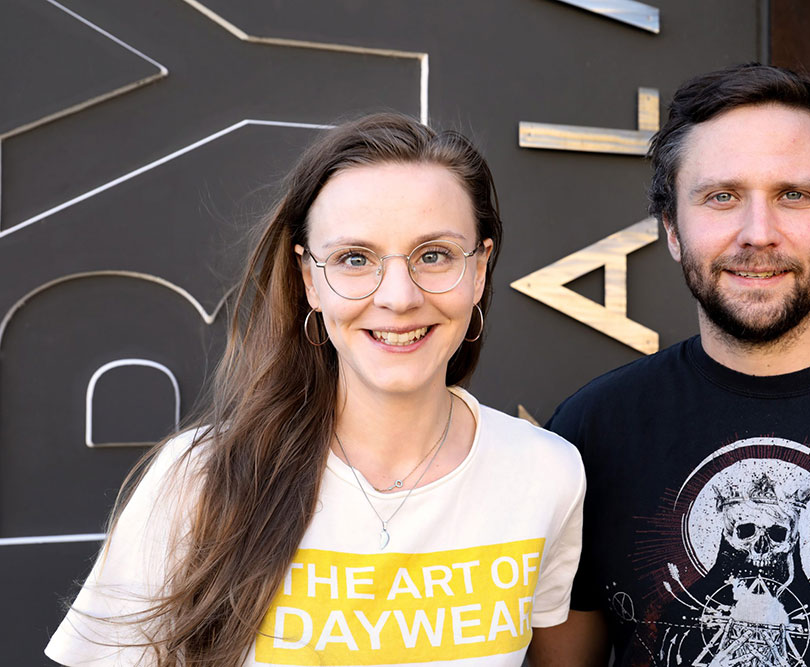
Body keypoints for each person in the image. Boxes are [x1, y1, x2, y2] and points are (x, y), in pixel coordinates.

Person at [46, 113, 585, 667]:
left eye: (434, 255)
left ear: (479, 270)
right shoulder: (200, 481)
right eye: (355, 259)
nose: (398, 297)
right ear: (310, 279)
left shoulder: (547, 473)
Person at [536, 64, 810, 666]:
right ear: (672, 229)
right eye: (722, 196)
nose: (759, 233)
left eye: (794, 195)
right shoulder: (592, 432)